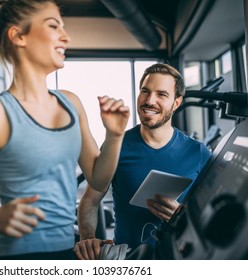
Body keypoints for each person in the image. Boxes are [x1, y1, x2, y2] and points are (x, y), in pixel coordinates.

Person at [0, 0, 129, 260]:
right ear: (18, 35)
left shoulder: (71, 103)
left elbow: (97, 179)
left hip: (67, 253)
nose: (66, 36)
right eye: (53, 26)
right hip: (19, 258)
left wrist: (115, 135)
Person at [74, 63, 212, 260]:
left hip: (179, 258)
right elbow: (90, 200)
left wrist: (183, 215)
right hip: (128, 258)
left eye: (161, 94)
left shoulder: (198, 153)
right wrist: (88, 240)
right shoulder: (117, 146)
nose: (149, 100)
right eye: (145, 91)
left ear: (176, 103)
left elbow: (210, 212)